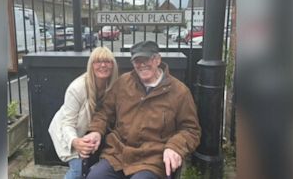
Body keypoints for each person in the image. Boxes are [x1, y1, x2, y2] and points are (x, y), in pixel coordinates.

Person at [84, 41, 201, 179]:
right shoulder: (123, 83)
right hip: (118, 154)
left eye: (147, 59)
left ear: (158, 60)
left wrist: (175, 147)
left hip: (153, 159)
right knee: (95, 177)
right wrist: (96, 131)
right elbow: (103, 112)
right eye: (137, 61)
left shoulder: (179, 92)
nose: (142, 64)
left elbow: (190, 129)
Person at [48, 46, 119, 179]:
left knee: (92, 169)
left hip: (92, 133)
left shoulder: (114, 85)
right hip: (69, 132)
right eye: (97, 61)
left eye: (107, 61)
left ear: (113, 65)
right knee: (78, 170)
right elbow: (67, 123)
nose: (103, 65)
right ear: (91, 65)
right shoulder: (77, 88)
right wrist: (75, 141)